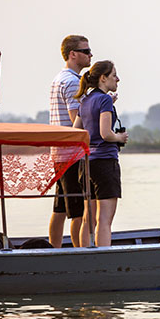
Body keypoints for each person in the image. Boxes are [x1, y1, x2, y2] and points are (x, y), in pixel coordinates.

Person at [72, 60, 129, 246]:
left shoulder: (85, 101)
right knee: (104, 220)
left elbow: (76, 131)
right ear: (103, 78)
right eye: (114, 75)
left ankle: (83, 256)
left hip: (87, 164)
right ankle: (103, 259)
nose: (118, 79)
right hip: (105, 162)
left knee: (88, 219)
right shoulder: (103, 100)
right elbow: (106, 134)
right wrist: (120, 138)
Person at [47, 34, 92, 248]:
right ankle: (79, 253)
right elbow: (77, 122)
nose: (90, 55)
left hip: (58, 152)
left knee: (60, 208)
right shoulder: (74, 83)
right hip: (73, 154)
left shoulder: (58, 79)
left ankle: (53, 250)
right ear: (73, 54)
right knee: (78, 211)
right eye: (86, 51)